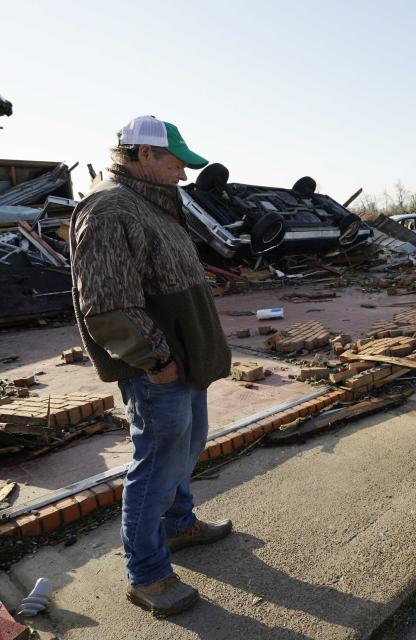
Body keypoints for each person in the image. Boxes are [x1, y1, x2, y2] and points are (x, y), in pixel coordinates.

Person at [70, 115, 234, 615]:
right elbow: (107, 305)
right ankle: (147, 575)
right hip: (159, 368)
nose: (184, 175)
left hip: (187, 363)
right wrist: (156, 360)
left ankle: (179, 525)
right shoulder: (110, 208)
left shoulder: (153, 204)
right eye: (177, 163)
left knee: (186, 447)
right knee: (156, 468)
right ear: (144, 155)